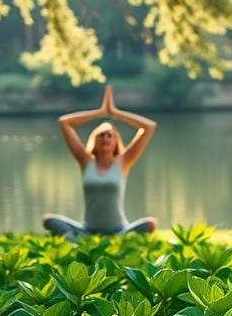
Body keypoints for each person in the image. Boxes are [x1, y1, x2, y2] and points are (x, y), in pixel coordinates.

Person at [42, 85, 158, 238]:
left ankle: (82, 238)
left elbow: (149, 127)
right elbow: (64, 122)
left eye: (110, 136)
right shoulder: (85, 161)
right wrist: (100, 112)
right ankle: (79, 237)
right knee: (48, 220)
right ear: (94, 140)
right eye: (101, 135)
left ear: (116, 141)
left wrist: (115, 113)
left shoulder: (123, 162)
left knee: (150, 223)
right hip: (88, 230)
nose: (105, 139)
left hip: (119, 230)